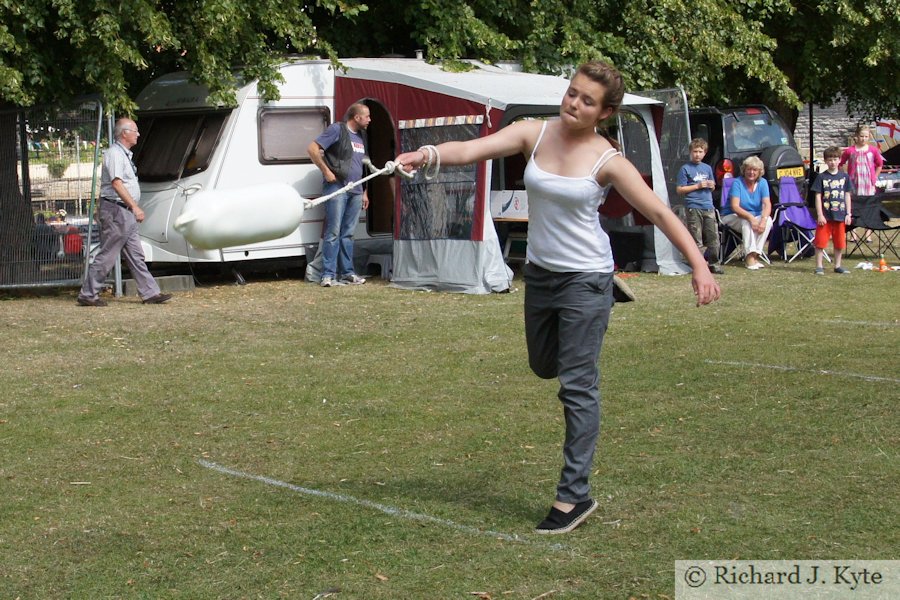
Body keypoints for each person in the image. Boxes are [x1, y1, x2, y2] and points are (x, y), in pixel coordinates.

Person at [395, 61, 721, 535]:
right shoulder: (534, 132)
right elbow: (471, 148)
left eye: (587, 101)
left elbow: (656, 210)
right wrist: (425, 154)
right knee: (543, 365)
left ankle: (573, 496)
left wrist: (698, 264)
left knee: (576, 385)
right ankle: (597, 312)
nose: (574, 104)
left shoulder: (607, 161)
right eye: (572, 93)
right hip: (542, 276)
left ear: (604, 113)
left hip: (585, 278)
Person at [76, 118, 172, 307]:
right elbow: (116, 183)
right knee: (108, 254)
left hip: (123, 211)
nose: (138, 134)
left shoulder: (123, 154)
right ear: (124, 133)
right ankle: (88, 294)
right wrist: (135, 207)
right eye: (135, 131)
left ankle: (150, 293)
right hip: (117, 210)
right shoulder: (114, 154)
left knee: (136, 254)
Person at [307, 103, 371, 287]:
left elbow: (363, 165)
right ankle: (328, 274)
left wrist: (364, 190)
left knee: (348, 234)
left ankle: (348, 273)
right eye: (366, 116)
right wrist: (326, 172)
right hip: (337, 188)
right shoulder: (337, 129)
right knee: (333, 232)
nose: (369, 120)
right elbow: (312, 149)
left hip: (356, 191)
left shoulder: (362, 137)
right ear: (356, 117)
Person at [676, 138, 724, 274]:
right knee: (697, 238)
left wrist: (711, 186)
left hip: (708, 206)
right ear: (691, 152)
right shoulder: (685, 168)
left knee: (713, 237)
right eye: (695, 151)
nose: (697, 154)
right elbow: (680, 189)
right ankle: (699, 265)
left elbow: (713, 186)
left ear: (705, 153)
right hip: (693, 206)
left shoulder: (707, 168)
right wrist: (697, 186)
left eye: (700, 151)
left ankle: (715, 264)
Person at [720, 156, 773, 270]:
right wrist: (751, 218)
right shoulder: (737, 183)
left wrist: (763, 220)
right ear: (744, 170)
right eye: (749, 169)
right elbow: (735, 207)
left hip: (754, 215)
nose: (751, 172)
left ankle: (756, 254)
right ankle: (749, 257)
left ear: (759, 172)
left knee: (768, 221)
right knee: (746, 222)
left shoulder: (763, 183)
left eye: (755, 170)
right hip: (731, 216)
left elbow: (767, 204)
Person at [839, 124, 884, 244]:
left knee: (868, 207)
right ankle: (853, 234)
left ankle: (868, 234)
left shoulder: (873, 150)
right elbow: (841, 163)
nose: (863, 139)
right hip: (854, 182)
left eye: (866, 136)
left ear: (869, 137)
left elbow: (879, 164)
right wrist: (845, 176)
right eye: (861, 136)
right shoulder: (850, 150)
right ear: (856, 137)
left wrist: (875, 176)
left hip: (868, 183)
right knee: (852, 207)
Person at [812, 146, 853, 275]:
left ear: (840, 160)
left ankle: (838, 265)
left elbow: (847, 195)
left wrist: (848, 213)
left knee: (839, 243)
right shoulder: (821, 177)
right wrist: (820, 215)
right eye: (830, 160)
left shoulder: (844, 177)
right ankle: (819, 266)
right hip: (826, 216)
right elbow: (818, 196)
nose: (833, 162)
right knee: (820, 242)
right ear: (825, 161)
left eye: (835, 159)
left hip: (840, 215)